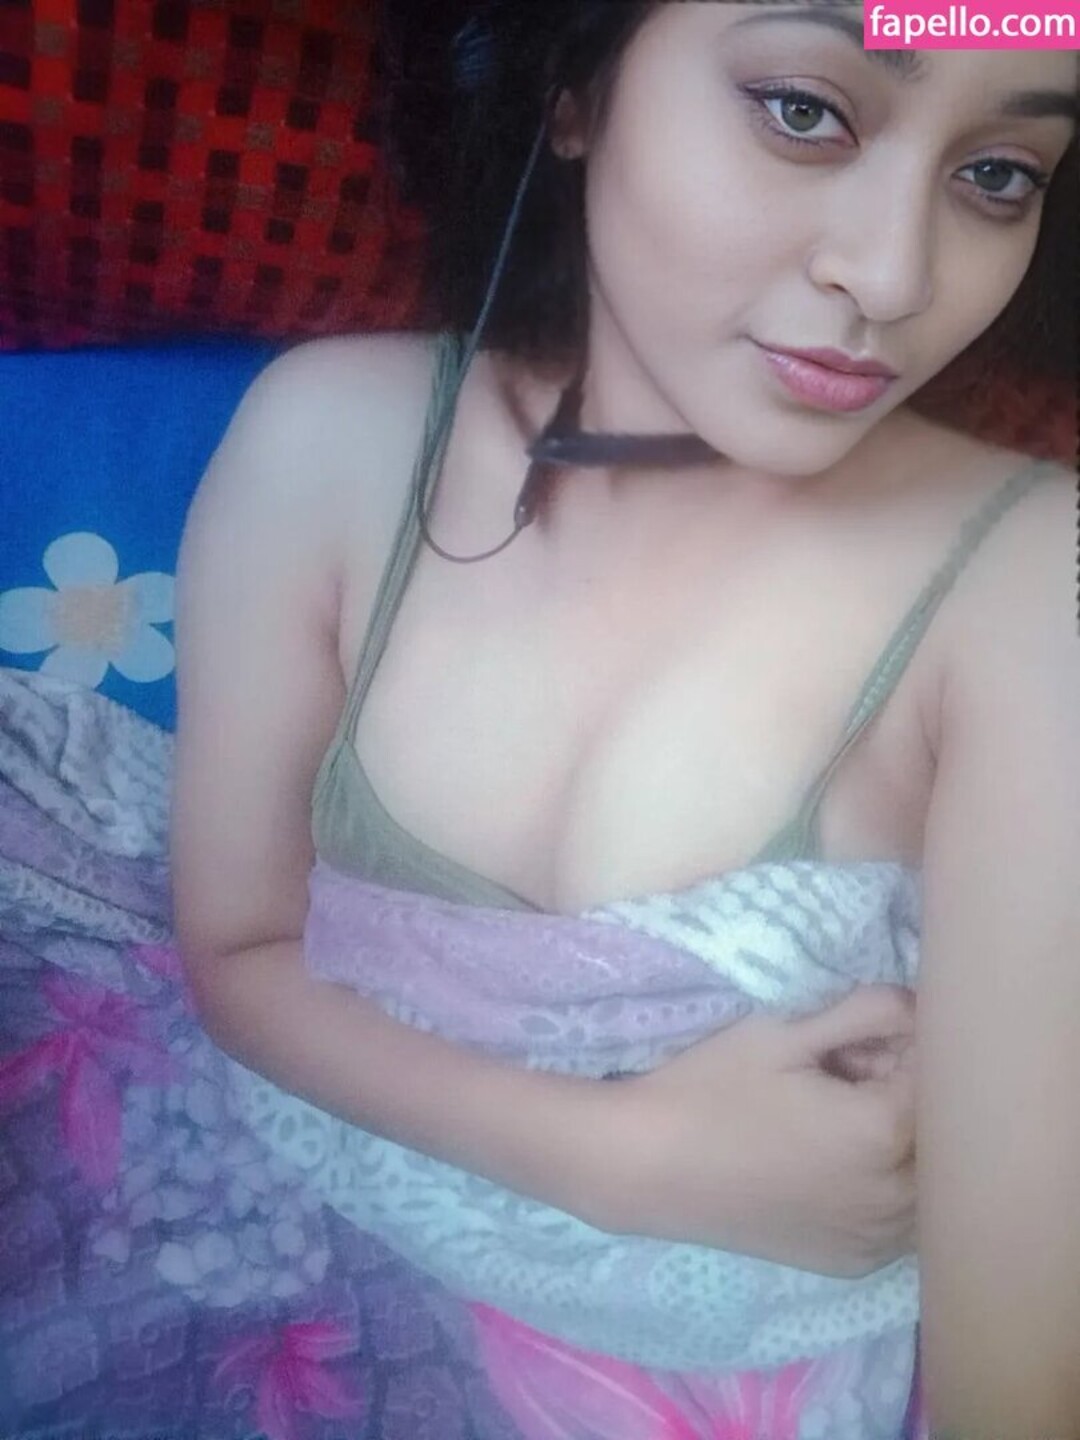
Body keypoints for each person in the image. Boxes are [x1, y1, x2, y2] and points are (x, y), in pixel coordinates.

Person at [171, 3, 1080, 1436]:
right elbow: (234, 954)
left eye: (997, 175)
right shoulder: (328, 442)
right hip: (259, 1241)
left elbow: (1015, 1379)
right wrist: (618, 1158)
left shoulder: (1034, 588)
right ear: (573, 88)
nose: (896, 275)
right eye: (805, 109)